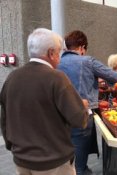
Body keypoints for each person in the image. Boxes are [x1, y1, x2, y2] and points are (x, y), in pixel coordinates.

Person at [0, 28, 89, 175]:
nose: (60, 58)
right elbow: (79, 120)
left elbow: (4, 119)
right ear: (51, 53)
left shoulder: (12, 77)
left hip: (21, 161)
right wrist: (82, 105)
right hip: (54, 163)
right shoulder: (57, 78)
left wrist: (14, 147)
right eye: (59, 52)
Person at [58, 30, 117, 175]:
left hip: (59, 117)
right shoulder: (87, 61)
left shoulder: (56, 61)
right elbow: (115, 76)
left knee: (65, 158)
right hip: (81, 115)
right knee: (80, 164)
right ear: (81, 47)